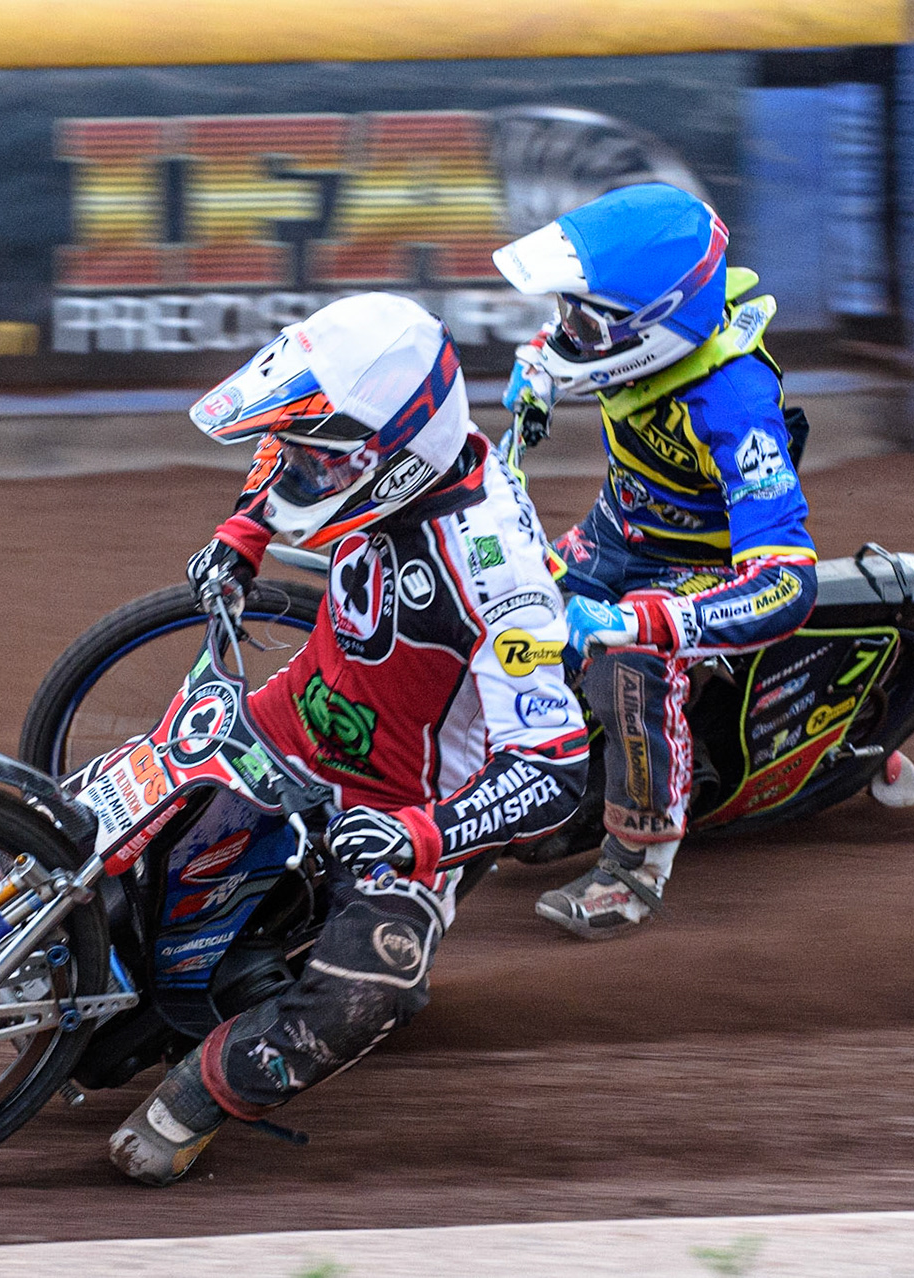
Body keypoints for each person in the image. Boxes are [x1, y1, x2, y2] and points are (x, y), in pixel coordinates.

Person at [101, 291, 589, 1185]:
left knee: (369, 997)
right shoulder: (358, 452)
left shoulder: (499, 577)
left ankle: (191, 1100)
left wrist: (420, 836)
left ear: (395, 459)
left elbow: (554, 770)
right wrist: (243, 536)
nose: (298, 476)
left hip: (403, 810)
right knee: (103, 828)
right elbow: (286, 447)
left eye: (320, 466)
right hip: (290, 721)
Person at [492, 182, 817, 940]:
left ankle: (638, 863)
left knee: (625, 660)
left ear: (656, 326)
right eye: (566, 314)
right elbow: (571, 345)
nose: (566, 331)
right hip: (617, 533)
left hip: (696, 571)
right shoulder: (627, 342)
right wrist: (539, 375)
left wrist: (650, 618)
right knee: (501, 596)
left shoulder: (733, 404)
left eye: (583, 321)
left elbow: (787, 583)